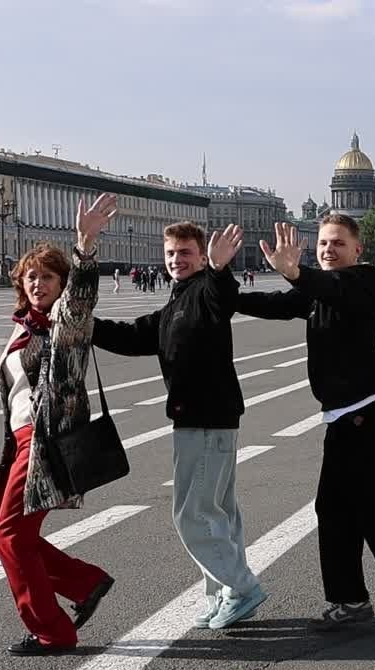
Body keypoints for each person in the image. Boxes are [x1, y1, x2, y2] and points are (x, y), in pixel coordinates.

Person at [236, 216, 375, 638]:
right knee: (331, 510)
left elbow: (334, 288)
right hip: (341, 417)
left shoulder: (368, 283)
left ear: (357, 250)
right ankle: (349, 600)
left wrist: (296, 272)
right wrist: (219, 283)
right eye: (323, 244)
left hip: (365, 413)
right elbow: (274, 305)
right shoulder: (317, 291)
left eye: (338, 243)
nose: (328, 249)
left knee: (372, 510)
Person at [92, 222, 267, 631]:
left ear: (202, 256)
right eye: (171, 253)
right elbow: (136, 336)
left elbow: (222, 297)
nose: (176, 260)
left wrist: (222, 271)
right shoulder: (178, 299)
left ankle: (240, 587)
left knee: (193, 515)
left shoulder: (205, 292)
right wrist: (89, 325)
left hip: (206, 418)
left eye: (185, 252)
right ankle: (220, 593)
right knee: (218, 512)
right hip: (202, 417)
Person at [0, 193, 119, 656]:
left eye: (48, 277)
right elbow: (5, 380)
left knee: (12, 535)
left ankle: (52, 631)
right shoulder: (24, 327)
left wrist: (85, 243)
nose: (38, 283)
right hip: (17, 444)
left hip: (43, 442)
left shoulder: (65, 325)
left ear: (62, 283)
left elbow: (81, 300)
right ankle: (84, 581)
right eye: (31, 276)